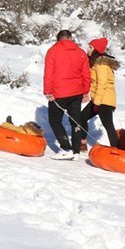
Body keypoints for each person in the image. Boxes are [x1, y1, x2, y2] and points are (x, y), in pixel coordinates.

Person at [43, 30, 91, 160]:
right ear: (70, 38)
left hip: (59, 92)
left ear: (58, 39)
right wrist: (86, 91)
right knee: (75, 121)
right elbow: (86, 74)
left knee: (54, 120)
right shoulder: (80, 52)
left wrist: (48, 91)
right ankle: (76, 151)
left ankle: (66, 148)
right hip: (77, 92)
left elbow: (49, 72)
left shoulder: (53, 51)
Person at [79, 38, 119, 149]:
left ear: (96, 50)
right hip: (98, 99)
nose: (88, 49)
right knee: (82, 117)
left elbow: (102, 84)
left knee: (108, 125)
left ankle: (117, 150)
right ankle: (82, 143)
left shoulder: (101, 65)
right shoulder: (96, 63)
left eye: (91, 47)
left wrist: (97, 102)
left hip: (104, 100)